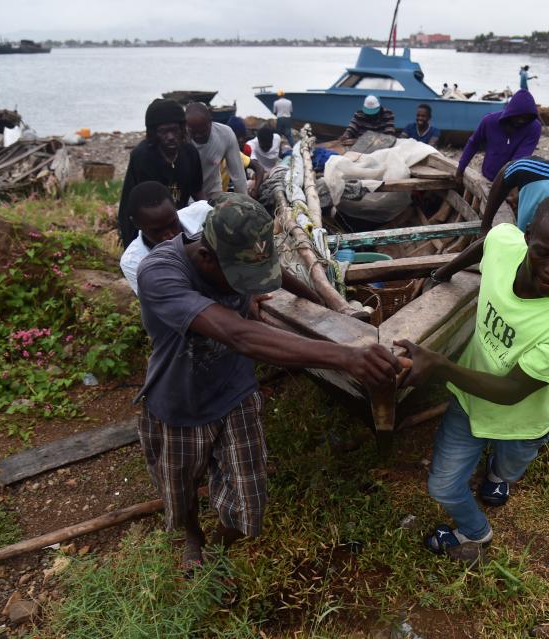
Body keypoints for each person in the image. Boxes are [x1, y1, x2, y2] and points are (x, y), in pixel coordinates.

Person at [135, 192, 403, 570]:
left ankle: (221, 549)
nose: (249, 286)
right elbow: (240, 335)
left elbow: (278, 274)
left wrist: (329, 308)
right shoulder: (160, 273)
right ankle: (194, 537)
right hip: (179, 401)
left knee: (249, 498)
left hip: (235, 393)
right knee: (180, 491)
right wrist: (346, 356)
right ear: (207, 256)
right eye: (242, 278)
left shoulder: (242, 252)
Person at [395, 194, 549, 557]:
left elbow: (510, 392)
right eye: (544, 253)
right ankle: (475, 533)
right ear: (527, 235)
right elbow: (484, 245)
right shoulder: (505, 242)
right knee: (443, 487)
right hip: (470, 402)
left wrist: (442, 367)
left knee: (509, 467)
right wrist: (441, 274)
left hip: (524, 420)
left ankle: (498, 476)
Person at [118, 99, 204, 248]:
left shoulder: (189, 153)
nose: (170, 136)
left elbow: (198, 190)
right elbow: (148, 207)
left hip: (176, 221)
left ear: (182, 129)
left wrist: (207, 214)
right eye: (164, 131)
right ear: (153, 133)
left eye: (174, 130)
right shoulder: (142, 156)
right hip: (146, 225)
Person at [119, 181, 212, 295]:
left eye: (173, 223)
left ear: (175, 208)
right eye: (157, 231)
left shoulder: (204, 214)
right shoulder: (134, 261)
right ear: (136, 224)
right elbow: (167, 303)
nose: (170, 235)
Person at [456, 89, 542, 182]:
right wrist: (461, 168)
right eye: (518, 116)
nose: (521, 120)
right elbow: (473, 144)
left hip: (511, 179)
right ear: (511, 112)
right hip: (487, 175)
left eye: (525, 118)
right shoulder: (489, 121)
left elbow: (520, 158)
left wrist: (505, 184)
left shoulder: (534, 127)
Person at [184, 102, 248, 199]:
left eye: (203, 131)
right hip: (187, 195)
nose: (198, 136)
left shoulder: (226, 134)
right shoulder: (181, 139)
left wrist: (244, 201)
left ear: (210, 121)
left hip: (212, 192)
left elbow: (238, 174)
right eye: (193, 132)